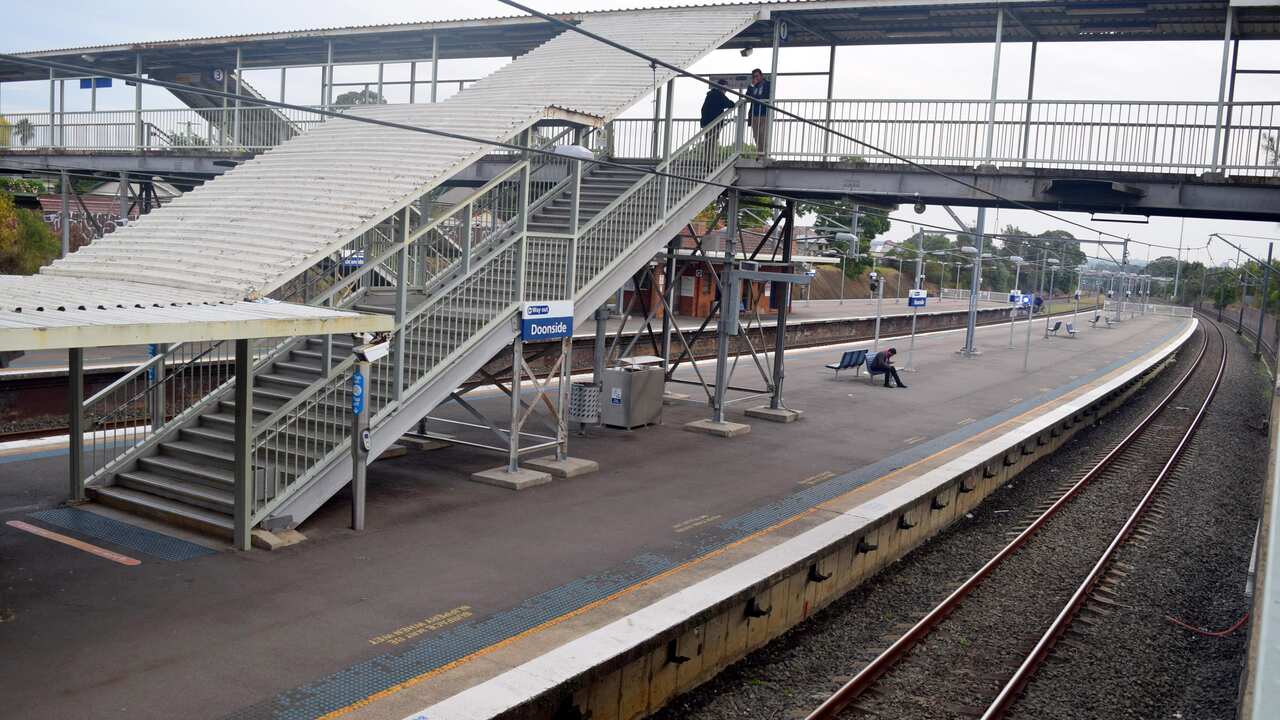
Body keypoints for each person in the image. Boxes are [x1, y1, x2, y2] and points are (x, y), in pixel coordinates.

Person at [700, 80, 735, 158]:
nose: (726, 91)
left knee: (708, 142)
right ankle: (710, 161)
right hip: (714, 123)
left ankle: (707, 161)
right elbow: (730, 104)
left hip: (706, 122)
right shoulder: (718, 95)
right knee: (712, 142)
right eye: (725, 89)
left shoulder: (710, 94)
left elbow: (703, 109)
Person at [745, 68, 771, 154]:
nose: (755, 78)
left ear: (761, 76)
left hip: (764, 113)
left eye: (757, 76)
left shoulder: (767, 84)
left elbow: (765, 96)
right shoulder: (753, 86)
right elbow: (747, 97)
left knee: (763, 134)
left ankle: (763, 154)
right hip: (754, 114)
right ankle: (759, 153)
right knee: (756, 136)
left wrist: (755, 98)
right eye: (753, 77)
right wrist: (751, 86)